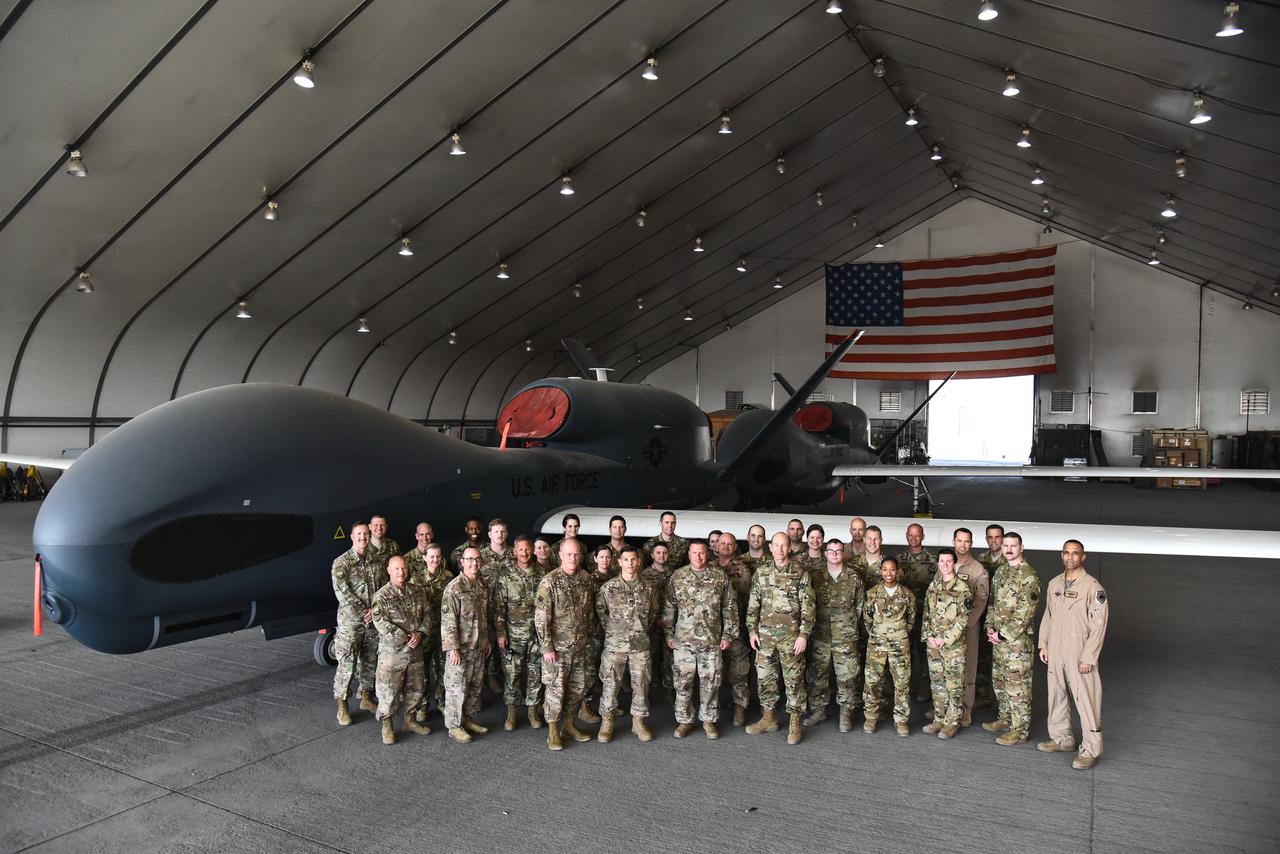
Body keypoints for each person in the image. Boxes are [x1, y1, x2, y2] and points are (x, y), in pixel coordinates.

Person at [1038, 540, 1109, 769]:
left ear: (1083, 557)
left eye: (1075, 553)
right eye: (1066, 553)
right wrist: (1044, 644)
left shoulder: (1092, 587)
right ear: (1062, 555)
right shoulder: (1054, 583)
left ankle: (1090, 749)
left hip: (1079, 651)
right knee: (1056, 694)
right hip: (1056, 649)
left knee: (1086, 700)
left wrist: (1089, 657)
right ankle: (1062, 738)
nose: (1070, 557)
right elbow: (1048, 616)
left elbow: (1099, 626)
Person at [663, 540, 737, 739]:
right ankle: (684, 720)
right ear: (689, 554)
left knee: (711, 682)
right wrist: (668, 635)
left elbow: (729, 607)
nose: (698, 557)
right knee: (683, 682)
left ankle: (708, 720)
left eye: (702, 553)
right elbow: (669, 607)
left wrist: (727, 635)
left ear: (708, 554)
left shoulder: (719, 577)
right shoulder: (678, 577)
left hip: (711, 640)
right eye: (694, 553)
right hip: (683, 641)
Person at [746, 533, 815, 745]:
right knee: (765, 678)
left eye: (783, 546)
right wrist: (751, 631)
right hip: (765, 637)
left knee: (793, 680)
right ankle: (769, 717)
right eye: (776, 546)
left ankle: (795, 720)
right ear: (771, 547)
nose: (779, 550)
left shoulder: (800, 573)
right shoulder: (762, 572)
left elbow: (808, 606)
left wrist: (804, 634)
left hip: (791, 638)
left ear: (789, 548)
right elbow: (753, 604)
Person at [535, 539, 596, 750]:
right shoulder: (549, 582)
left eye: (576, 554)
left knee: (577, 689)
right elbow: (542, 619)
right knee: (555, 689)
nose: (573, 558)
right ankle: (552, 728)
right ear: (560, 555)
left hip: (579, 646)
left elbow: (589, 612)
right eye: (569, 554)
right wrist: (547, 647)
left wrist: (587, 637)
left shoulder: (585, 578)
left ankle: (569, 724)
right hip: (557, 650)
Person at [596, 546, 660, 742]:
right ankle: (607, 722)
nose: (630, 563)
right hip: (615, 645)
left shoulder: (649, 587)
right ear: (619, 562)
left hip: (640, 644)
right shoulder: (608, 588)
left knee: (641, 683)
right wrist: (616, 631)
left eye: (634, 559)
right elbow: (601, 612)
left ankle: (638, 722)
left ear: (639, 562)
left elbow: (653, 612)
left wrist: (639, 630)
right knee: (610, 683)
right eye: (626, 560)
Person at [984, 531, 1041, 746]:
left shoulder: (1029, 576)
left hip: (1017, 644)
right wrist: (990, 628)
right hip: (998, 641)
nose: (1008, 549)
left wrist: (1002, 634)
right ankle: (1006, 718)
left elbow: (1025, 613)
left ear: (1021, 547)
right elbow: (992, 603)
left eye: (1013, 546)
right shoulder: (1000, 573)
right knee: (1000, 682)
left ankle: (1020, 730)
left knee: (1018, 687)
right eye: (1005, 546)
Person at [805, 538, 865, 732]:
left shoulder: (854, 578)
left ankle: (846, 714)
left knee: (847, 676)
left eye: (839, 551)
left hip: (845, 636)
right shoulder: (815, 576)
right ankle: (818, 711)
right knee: (818, 675)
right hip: (821, 635)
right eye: (831, 551)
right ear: (825, 554)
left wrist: (853, 629)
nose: (835, 554)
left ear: (844, 553)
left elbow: (860, 607)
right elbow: (808, 605)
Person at [371, 556, 433, 744]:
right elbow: (380, 622)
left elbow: (429, 615)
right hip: (393, 653)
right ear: (389, 570)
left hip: (415, 651)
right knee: (389, 690)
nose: (401, 572)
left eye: (404, 568)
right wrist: (406, 638)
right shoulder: (381, 596)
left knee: (416, 687)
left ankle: (410, 720)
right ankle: (387, 725)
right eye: (397, 569)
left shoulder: (418, 592)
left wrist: (420, 634)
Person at [331, 521, 387, 724]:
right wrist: (364, 611)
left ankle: (365, 697)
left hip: (372, 622)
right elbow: (343, 593)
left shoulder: (377, 560)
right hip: (351, 624)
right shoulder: (342, 562)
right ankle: (342, 704)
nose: (363, 537)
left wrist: (375, 611)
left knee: (369, 661)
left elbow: (383, 590)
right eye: (359, 534)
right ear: (352, 537)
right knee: (347, 664)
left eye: (366, 534)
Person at [493, 535, 548, 731]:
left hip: (537, 635)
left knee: (535, 673)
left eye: (527, 549)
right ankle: (512, 712)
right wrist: (501, 633)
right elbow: (499, 607)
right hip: (513, 635)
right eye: (520, 550)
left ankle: (533, 709)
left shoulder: (541, 572)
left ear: (532, 550)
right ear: (514, 552)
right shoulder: (506, 574)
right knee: (512, 674)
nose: (524, 553)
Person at [440, 547, 492, 743]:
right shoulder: (454, 588)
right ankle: (454, 725)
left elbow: (484, 616)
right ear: (462, 561)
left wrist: (486, 639)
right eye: (469, 559)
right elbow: (448, 620)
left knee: (475, 686)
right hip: (460, 649)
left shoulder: (482, 585)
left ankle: (468, 719)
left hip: (478, 646)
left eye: (477, 559)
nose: (474, 563)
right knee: (456, 687)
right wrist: (452, 648)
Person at [862, 556, 916, 736]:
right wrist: (878, 634)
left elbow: (911, 620)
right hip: (876, 644)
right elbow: (867, 618)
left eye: (892, 569)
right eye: (885, 569)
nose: (888, 573)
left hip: (900, 645)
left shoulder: (907, 595)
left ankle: (901, 720)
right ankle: (871, 717)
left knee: (901, 682)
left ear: (897, 571)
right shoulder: (872, 593)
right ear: (880, 571)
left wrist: (898, 634)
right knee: (872, 682)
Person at [921, 548, 971, 740]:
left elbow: (963, 619)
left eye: (949, 561)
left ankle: (952, 722)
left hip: (953, 646)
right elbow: (926, 613)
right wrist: (930, 636)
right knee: (937, 683)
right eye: (942, 561)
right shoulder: (934, 585)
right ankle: (939, 717)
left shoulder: (962, 588)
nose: (945, 564)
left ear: (954, 563)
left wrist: (945, 639)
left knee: (953, 685)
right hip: (934, 644)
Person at [406, 542, 453, 722]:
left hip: (443, 633)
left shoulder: (449, 578)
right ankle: (423, 706)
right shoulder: (416, 580)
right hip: (424, 634)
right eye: (431, 556)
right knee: (422, 673)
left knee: (443, 670)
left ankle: (442, 702)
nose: (435, 560)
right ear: (424, 558)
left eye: (438, 557)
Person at [714, 532, 754, 726]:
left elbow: (748, 601)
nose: (726, 547)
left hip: (736, 629)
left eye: (730, 544)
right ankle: (714, 709)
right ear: (716, 545)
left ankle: (739, 707)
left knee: (738, 671)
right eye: (723, 543)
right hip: (712, 630)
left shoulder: (743, 570)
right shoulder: (709, 568)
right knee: (713, 672)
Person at [952, 527, 990, 725]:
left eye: (966, 542)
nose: (962, 545)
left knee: (968, 668)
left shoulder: (978, 570)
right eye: (959, 541)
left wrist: (964, 625)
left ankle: (966, 710)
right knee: (947, 669)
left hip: (968, 627)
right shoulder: (947, 564)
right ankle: (947, 707)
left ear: (971, 544)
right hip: (947, 629)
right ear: (953, 542)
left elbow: (980, 602)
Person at [897, 524, 937, 705]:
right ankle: (907, 684)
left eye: (917, 535)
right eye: (910, 535)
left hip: (923, 615)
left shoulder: (933, 560)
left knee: (923, 652)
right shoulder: (899, 561)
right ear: (906, 536)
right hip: (903, 616)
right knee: (905, 651)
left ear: (923, 536)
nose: (914, 538)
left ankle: (925, 684)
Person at [578, 545, 614, 724]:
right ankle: (584, 707)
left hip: (611, 634)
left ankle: (606, 706)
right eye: (602, 557)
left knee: (608, 672)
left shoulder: (615, 579)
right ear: (595, 559)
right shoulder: (590, 580)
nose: (605, 560)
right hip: (593, 634)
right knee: (589, 672)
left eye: (608, 557)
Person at [641, 542, 676, 699]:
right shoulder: (645, 575)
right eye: (658, 553)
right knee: (651, 656)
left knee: (670, 658)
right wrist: (654, 619)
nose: (662, 556)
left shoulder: (675, 574)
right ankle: (649, 690)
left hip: (671, 624)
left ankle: (669, 689)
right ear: (652, 555)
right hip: (652, 625)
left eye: (664, 553)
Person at [850, 525, 886, 589]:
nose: (872, 542)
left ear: (881, 541)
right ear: (864, 540)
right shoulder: (851, 563)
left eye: (876, 539)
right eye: (869, 538)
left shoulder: (889, 565)